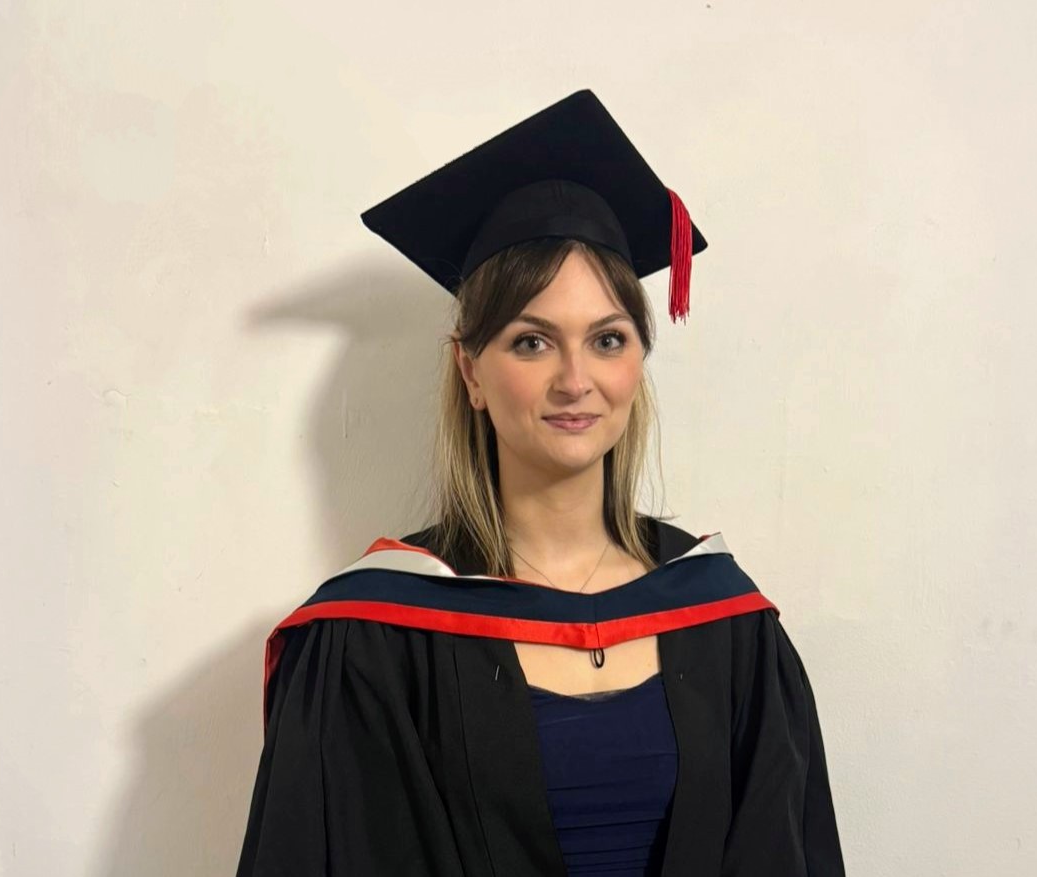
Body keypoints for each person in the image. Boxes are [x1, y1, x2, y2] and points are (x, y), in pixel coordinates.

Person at [236, 89, 845, 876]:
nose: (575, 379)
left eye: (607, 338)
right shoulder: (374, 637)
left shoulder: (726, 621)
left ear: (636, 361)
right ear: (471, 370)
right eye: (531, 341)